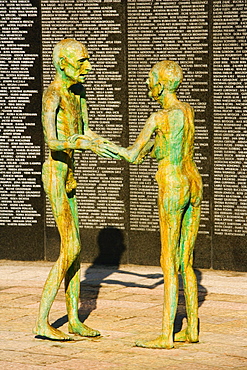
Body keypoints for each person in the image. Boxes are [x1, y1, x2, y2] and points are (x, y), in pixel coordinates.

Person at [34, 38, 119, 341]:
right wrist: (77, 142)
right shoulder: (52, 95)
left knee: (77, 247)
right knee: (69, 248)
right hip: (56, 173)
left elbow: (85, 131)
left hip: (69, 174)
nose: (88, 67)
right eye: (81, 61)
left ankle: (73, 320)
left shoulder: (78, 92)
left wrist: (109, 147)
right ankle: (42, 321)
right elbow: (52, 141)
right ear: (62, 63)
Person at [118, 60, 203, 348]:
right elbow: (173, 145)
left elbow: (131, 155)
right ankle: (191, 328)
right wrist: (155, 148)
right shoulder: (186, 111)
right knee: (187, 262)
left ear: (162, 84)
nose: (147, 85)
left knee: (169, 261)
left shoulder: (159, 117)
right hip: (193, 180)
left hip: (173, 185)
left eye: (151, 80)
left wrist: (95, 143)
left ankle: (166, 334)